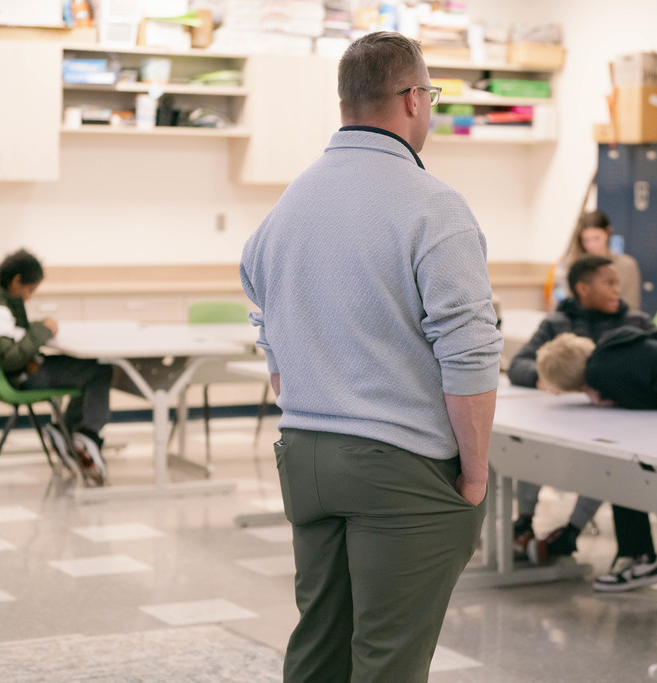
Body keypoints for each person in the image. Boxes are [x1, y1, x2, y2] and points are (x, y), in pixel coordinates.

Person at [239, 32, 501, 682]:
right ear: (413, 99)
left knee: (319, 649)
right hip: (400, 470)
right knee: (388, 660)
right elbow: (469, 353)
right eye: (431, 95)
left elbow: (271, 338)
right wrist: (474, 475)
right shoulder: (434, 207)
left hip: (306, 454)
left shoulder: (288, 205)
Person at [509, 254, 657, 564]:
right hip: (563, 426)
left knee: (606, 464)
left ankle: (569, 534)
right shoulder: (557, 323)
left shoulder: (635, 322)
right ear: (583, 288)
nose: (616, 289)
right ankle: (524, 523)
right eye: (608, 283)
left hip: (615, 431)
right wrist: (543, 378)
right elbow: (518, 365)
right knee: (526, 449)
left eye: (617, 283)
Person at [534, 327, 657, 591]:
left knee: (620, 468)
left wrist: (607, 398)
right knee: (620, 464)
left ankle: (641, 559)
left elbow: (639, 405)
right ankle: (637, 555)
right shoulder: (611, 348)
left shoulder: (599, 372)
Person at [0, 248, 110, 484]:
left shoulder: (7, 300)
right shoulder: (1, 308)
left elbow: (13, 338)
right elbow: (9, 359)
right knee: (99, 370)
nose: (29, 297)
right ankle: (87, 434)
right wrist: (43, 330)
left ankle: (65, 429)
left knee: (88, 366)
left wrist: (37, 328)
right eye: (29, 290)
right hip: (21, 377)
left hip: (22, 372)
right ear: (17, 280)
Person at [544, 210, 642, 312]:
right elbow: (559, 302)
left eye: (596, 239)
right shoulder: (572, 265)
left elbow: (632, 307)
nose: (591, 245)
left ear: (608, 233)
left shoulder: (626, 265)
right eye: (586, 240)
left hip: (615, 324)